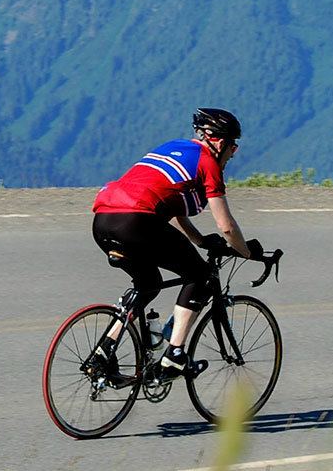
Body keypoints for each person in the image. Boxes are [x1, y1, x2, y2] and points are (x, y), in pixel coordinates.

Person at [89, 108, 264, 381]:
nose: (234, 153)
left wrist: (199, 240)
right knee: (200, 275)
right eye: (233, 145)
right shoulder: (208, 164)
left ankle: (103, 352)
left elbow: (170, 201)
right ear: (219, 142)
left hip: (103, 221)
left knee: (148, 285)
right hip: (137, 222)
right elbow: (226, 226)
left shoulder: (172, 148)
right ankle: (175, 355)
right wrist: (247, 252)